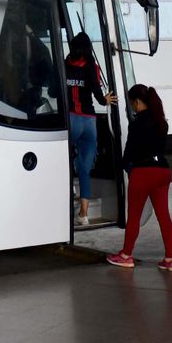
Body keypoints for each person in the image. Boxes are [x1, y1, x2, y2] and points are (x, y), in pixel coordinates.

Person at [106, 85, 172, 272]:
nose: (133, 107)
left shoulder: (137, 123)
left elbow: (129, 151)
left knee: (134, 217)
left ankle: (126, 255)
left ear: (136, 101)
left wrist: (126, 166)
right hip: (163, 171)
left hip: (143, 172)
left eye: (132, 103)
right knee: (164, 216)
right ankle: (170, 259)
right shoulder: (161, 121)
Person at [65, 32, 118, 225]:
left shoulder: (65, 65)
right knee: (84, 169)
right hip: (89, 122)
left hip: (70, 119)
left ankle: (69, 191)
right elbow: (97, 94)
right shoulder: (91, 66)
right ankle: (84, 214)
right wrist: (105, 99)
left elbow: (56, 91)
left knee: (65, 160)